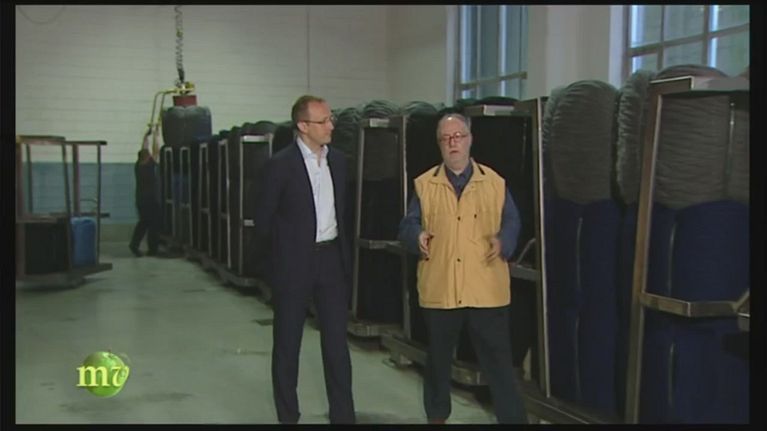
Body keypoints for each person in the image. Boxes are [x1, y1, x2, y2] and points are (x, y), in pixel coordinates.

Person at [398, 113, 528, 424]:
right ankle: (437, 417)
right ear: (439, 144)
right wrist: (416, 236)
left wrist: (504, 241)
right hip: (441, 287)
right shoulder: (425, 185)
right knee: (438, 361)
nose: (452, 143)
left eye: (458, 136)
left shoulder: (494, 183)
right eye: (446, 138)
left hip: (485, 288)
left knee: (499, 364)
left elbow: (512, 220)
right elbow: (407, 225)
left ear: (470, 140)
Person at [254, 95, 355, 424]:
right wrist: (276, 265)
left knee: (337, 345)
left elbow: (344, 212)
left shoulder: (338, 161)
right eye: (323, 121)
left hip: (331, 260)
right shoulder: (280, 165)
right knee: (287, 344)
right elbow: (263, 221)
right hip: (293, 265)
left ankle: (343, 416)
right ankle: (288, 416)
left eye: (330, 119)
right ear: (303, 126)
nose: (331, 126)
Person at [129, 148, 161, 257]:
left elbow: (147, 151)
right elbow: (156, 151)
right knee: (154, 224)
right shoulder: (149, 167)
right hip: (150, 200)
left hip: (140, 200)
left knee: (143, 223)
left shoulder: (138, 166)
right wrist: (155, 137)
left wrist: (146, 139)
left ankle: (134, 244)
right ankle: (152, 250)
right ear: (147, 157)